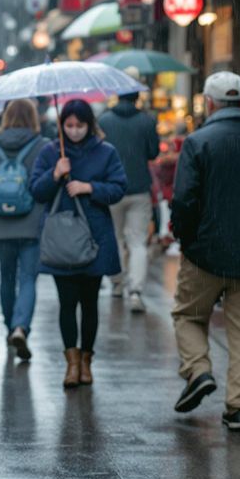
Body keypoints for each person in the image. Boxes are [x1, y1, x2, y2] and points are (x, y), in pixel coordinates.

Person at [170, 71, 240, 432]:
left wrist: (185, 238)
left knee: (188, 315)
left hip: (205, 251)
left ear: (210, 103)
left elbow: (184, 199)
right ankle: (238, 408)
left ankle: (199, 370)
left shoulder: (197, 142)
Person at [30, 100, 127, 388]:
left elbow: (119, 188)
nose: (74, 131)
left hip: (95, 237)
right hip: (61, 238)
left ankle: (87, 361)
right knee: (67, 303)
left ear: (89, 125)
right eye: (68, 126)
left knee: (90, 303)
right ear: (61, 126)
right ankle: (71, 364)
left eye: (79, 125)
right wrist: (55, 174)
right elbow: (36, 190)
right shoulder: (50, 153)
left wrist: (90, 188)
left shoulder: (106, 152)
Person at [0, 99, 47, 359]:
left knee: (6, 277)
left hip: (1, 225)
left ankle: (10, 327)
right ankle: (21, 327)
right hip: (31, 224)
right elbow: (43, 185)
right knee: (28, 278)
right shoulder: (42, 146)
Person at [98, 89, 160, 312]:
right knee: (137, 241)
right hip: (138, 187)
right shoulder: (147, 120)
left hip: (111, 187)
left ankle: (116, 283)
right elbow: (153, 153)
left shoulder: (104, 120)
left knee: (113, 238)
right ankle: (135, 291)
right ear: (136, 97)